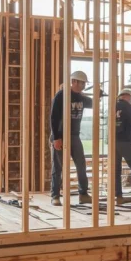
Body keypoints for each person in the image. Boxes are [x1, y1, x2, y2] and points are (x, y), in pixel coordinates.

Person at [50, 70, 96, 206]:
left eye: (84, 83)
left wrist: (99, 95)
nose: (83, 86)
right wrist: (56, 138)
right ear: (74, 81)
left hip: (74, 136)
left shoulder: (81, 97)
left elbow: (93, 103)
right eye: (81, 83)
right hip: (60, 135)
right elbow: (53, 118)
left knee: (81, 165)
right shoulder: (61, 96)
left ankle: (83, 194)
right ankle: (55, 196)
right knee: (57, 167)